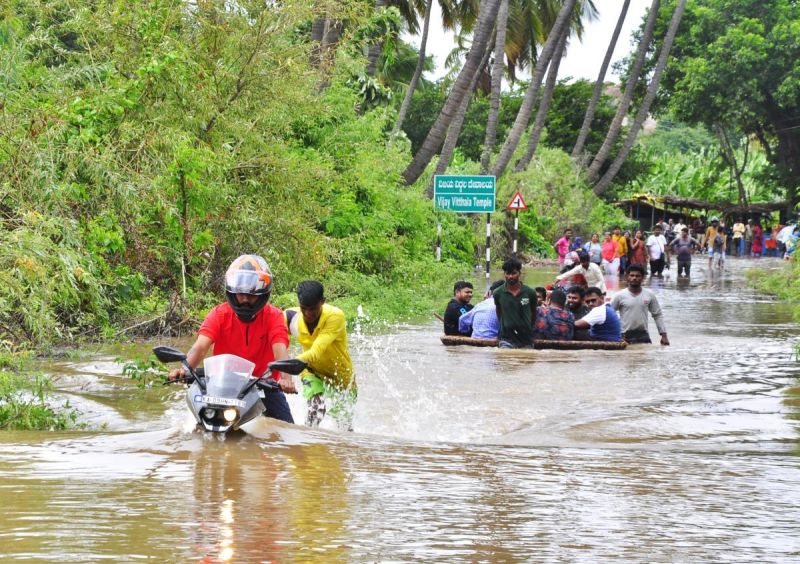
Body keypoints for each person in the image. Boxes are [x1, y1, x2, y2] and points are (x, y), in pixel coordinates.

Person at [168, 254, 295, 423]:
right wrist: (184, 369)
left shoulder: (274, 317)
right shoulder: (219, 314)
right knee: (198, 427)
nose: (244, 299)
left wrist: (286, 380)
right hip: (222, 384)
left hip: (262, 384)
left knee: (286, 433)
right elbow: (199, 347)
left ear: (263, 294)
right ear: (231, 292)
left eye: (251, 295)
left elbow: (280, 350)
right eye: (240, 294)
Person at [285, 281, 356, 429]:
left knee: (344, 426)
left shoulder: (335, 317)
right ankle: (307, 444)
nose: (308, 314)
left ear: (322, 302)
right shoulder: (290, 317)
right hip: (312, 371)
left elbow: (317, 351)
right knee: (316, 409)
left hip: (342, 378)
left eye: (313, 309)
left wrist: (290, 363)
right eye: (304, 308)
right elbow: (274, 337)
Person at [612, 265, 669, 345]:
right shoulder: (619, 295)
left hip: (643, 334)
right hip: (624, 336)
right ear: (627, 277)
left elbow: (657, 315)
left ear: (643, 278)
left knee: (643, 356)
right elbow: (609, 314)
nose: (634, 278)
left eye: (637, 276)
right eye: (632, 275)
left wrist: (664, 335)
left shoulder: (649, 295)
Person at [494, 257, 538, 348]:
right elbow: (499, 311)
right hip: (506, 337)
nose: (510, 276)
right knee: (506, 361)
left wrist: (529, 328)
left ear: (519, 273)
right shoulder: (498, 293)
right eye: (508, 273)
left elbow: (534, 313)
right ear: (504, 274)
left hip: (526, 338)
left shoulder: (530, 292)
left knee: (526, 360)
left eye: (513, 273)